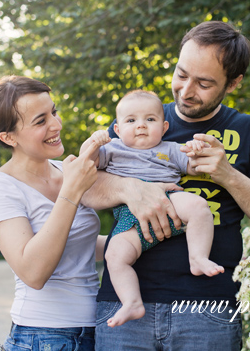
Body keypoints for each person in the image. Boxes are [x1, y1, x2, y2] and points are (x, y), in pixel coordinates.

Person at [86, 21, 250, 351]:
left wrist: (228, 175)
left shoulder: (249, 131)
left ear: (233, 83)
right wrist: (130, 190)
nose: (186, 91)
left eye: (204, 83)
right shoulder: (139, 118)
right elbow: (84, 187)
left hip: (205, 309)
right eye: (181, 74)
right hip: (123, 304)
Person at [0, 75, 109, 351]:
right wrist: (71, 193)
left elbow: (78, 245)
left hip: (100, 333)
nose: (55, 125)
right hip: (43, 345)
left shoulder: (63, 172)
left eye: (53, 112)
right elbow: (33, 271)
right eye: (41, 120)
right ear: (9, 137)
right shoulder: (0, 188)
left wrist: (139, 240)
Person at [80, 90, 223, 328]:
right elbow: (86, 163)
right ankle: (132, 302)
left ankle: (198, 257)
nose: (141, 126)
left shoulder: (171, 149)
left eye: (150, 119)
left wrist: (197, 148)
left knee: (198, 205)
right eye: (131, 120)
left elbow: (196, 167)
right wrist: (94, 142)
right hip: (130, 216)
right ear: (116, 129)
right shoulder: (113, 149)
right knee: (114, 256)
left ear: (164, 126)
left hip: (170, 201)